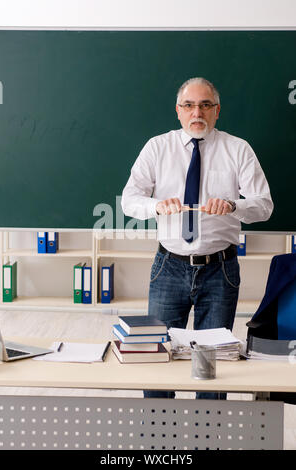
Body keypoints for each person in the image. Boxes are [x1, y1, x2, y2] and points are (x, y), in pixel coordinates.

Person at [121, 77, 273, 399]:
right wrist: (156, 206)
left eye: (205, 105)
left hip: (220, 270)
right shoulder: (157, 147)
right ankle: (160, 444)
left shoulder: (237, 149)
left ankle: (208, 442)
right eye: (189, 105)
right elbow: (129, 200)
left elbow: (264, 206)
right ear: (178, 111)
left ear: (217, 111)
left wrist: (234, 205)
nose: (197, 112)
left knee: (212, 369)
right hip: (168, 268)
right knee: (157, 361)